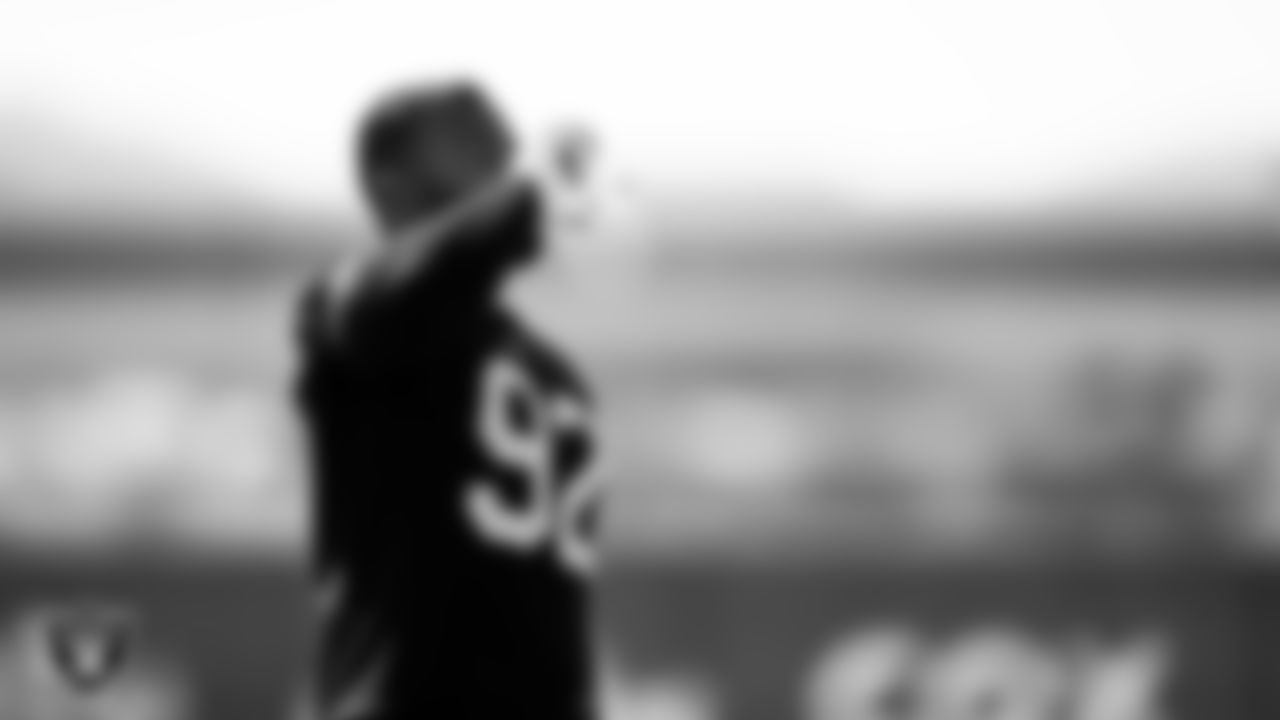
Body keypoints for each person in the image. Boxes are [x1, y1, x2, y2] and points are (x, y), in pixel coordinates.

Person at [293, 78, 604, 720]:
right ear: (390, 186)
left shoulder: (555, 373)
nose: (497, 164)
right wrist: (528, 195)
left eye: (502, 152)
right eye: (467, 145)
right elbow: (416, 279)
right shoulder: (355, 312)